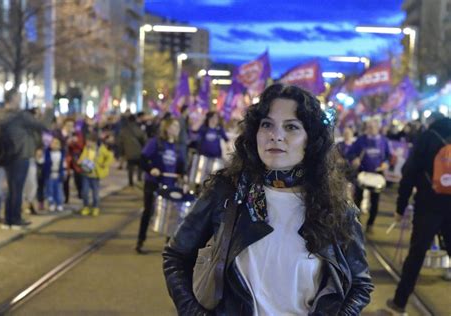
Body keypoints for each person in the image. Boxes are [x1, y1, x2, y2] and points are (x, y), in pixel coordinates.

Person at [163, 84, 373, 315]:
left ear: (310, 140)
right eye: (267, 125)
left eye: (291, 127)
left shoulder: (335, 207)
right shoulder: (227, 192)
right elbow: (176, 256)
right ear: (255, 133)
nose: (276, 135)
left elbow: (360, 284)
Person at [387, 112, 451, 314]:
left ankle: (399, 302)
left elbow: (409, 174)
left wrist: (400, 206)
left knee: (416, 255)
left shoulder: (426, 138)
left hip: (428, 206)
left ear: (429, 123)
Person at [0, 89, 53, 229]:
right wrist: (49, 110)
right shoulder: (20, 116)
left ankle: (8, 219)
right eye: (18, 97)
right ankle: (15, 219)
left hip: (6, 155)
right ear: (13, 98)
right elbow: (43, 126)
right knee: (17, 188)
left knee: (11, 188)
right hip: (21, 155)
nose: (20, 99)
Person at [135, 118, 187, 254]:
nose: (177, 129)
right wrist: (151, 169)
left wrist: (183, 175)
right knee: (148, 212)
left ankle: (168, 244)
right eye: (174, 126)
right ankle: (140, 241)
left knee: (172, 214)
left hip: (170, 184)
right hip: (153, 183)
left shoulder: (177, 147)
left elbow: (181, 166)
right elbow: (142, 159)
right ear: (167, 128)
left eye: (178, 126)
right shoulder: (155, 142)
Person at [348, 118, 391, 233]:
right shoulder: (361, 140)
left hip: (377, 175)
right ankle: (356, 223)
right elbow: (350, 153)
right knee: (358, 199)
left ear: (378, 128)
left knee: (375, 201)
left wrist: (386, 164)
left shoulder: (384, 141)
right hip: (362, 173)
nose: (370, 129)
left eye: (372, 127)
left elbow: (388, 157)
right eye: (368, 127)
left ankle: (371, 224)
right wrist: (354, 159)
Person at [78, 133, 114, 216]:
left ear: (94, 142)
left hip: (95, 175)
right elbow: (83, 156)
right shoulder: (86, 149)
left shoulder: (101, 149)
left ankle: (95, 207)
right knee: (85, 192)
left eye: (89, 142)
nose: (87, 143)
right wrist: (80, 161)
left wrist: (105, 164)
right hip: (86, 173)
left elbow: (110, 156)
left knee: (95, 193)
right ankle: (86, 207)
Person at [118, 114, 146, 186]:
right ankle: (139, 179)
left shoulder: (124, 130)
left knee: (130, 167)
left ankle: (130, 182)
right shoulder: (138, 128)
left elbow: (120, 142)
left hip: (129, 152)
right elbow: (144, 139)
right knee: (140, 166)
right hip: (139, 151)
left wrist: (122, 152)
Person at [43, 138, 65, 212]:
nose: (54, 145)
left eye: (56, 143)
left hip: (58, 174)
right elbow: (45, 163)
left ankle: (59, 204)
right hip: (49, 174)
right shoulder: (47, 153)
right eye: (52, 143)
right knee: (50, 190)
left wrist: (64, 172)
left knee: (58, 190)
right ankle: (51, 204)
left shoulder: (61, 153)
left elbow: (63, 164)